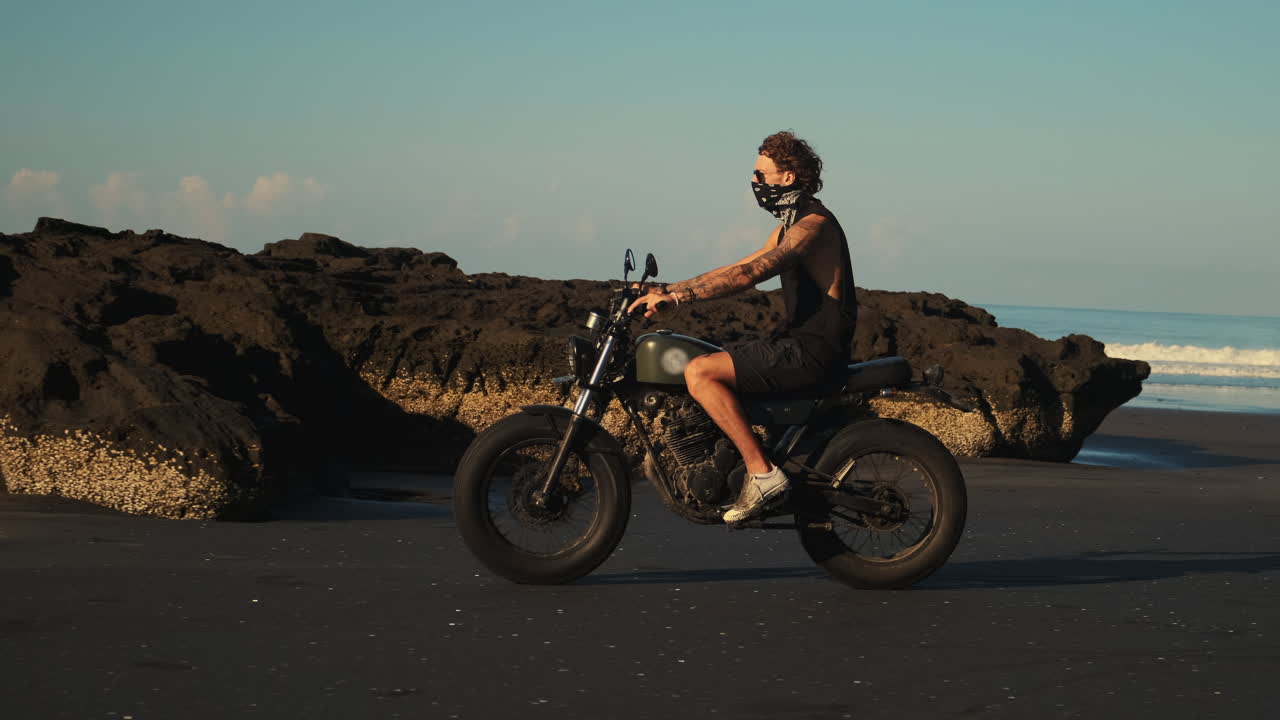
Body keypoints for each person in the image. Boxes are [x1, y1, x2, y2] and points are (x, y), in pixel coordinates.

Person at [628, 131, 857, 525]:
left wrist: (682, 300)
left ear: (787, 176)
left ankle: (763, 474)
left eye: (760, 174)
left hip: (812, 351)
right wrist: (665, 290)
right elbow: (738, 265)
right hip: (793, 343)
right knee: (709, 358)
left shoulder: (814, 225)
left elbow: (754, 272)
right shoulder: (789, 224)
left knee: (699, 371)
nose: (755, 183)